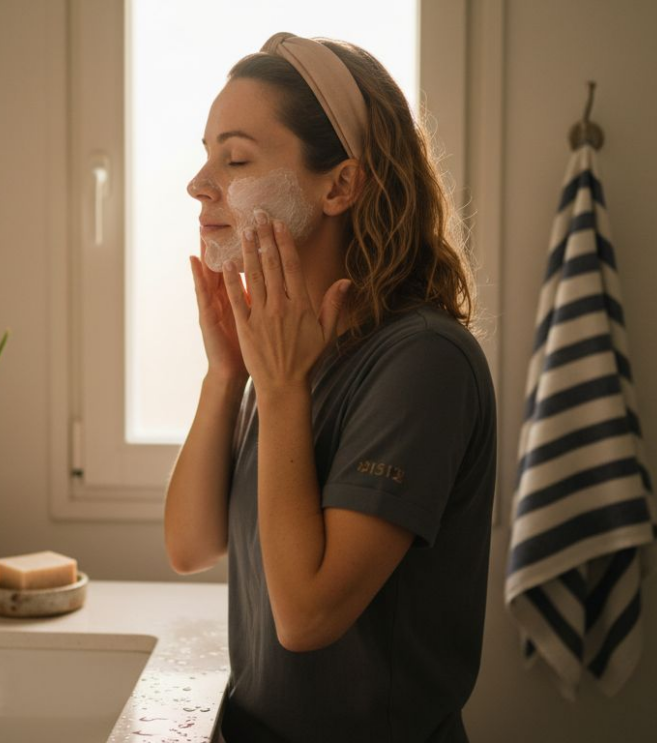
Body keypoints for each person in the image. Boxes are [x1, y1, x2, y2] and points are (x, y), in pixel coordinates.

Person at [164, 31, 497, 743]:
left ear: (340, 184)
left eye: (236, 157)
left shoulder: (425, 362)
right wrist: (227, 376)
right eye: (206, 155)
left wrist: (281, 393)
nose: (200, 183)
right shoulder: (291, 349)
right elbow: (190, 544)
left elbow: (307, 616)